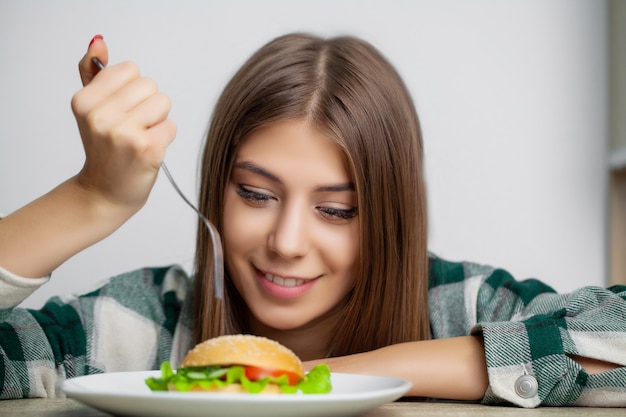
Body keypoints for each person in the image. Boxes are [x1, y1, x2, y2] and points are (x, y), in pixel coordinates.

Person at [0, 33, 624, 407]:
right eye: (254, 194)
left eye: (337, 210)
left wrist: (317, 382)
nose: (288, 243)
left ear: (390, 216)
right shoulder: (139, 325)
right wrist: (94, 197)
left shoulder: (462, 305)